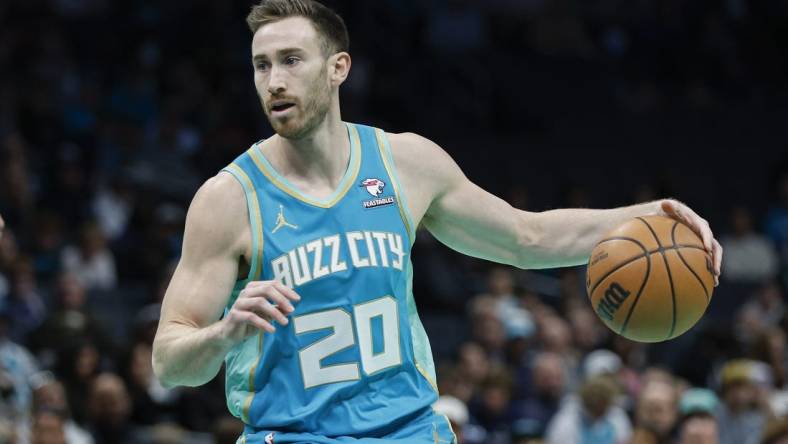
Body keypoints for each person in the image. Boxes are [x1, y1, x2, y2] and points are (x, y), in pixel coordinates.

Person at [150, 0, 723, 442]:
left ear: (337, 68)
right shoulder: (228, 198)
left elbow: (526, 238)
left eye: (291, 60)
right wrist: (224, 334)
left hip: (410, 429)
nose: (274, 80)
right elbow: (170, 362)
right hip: (294, 433)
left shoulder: (406, 164)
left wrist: (649, 215)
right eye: (261, 65)